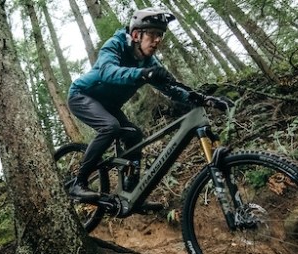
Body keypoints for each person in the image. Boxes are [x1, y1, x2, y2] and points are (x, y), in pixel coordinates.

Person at [67, 7, 227, 200]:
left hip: (109, 105)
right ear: (136, 35)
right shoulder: (114, 45)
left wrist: (202, 99)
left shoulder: (149, 62)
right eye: (153, 34)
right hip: (82, 95)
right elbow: (106, 72)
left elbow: (170, 88)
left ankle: (130, 188)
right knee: (110, 127)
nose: (158, 40)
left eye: (160, 35)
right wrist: (143, 74)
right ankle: (79, 183)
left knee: (134, 135)